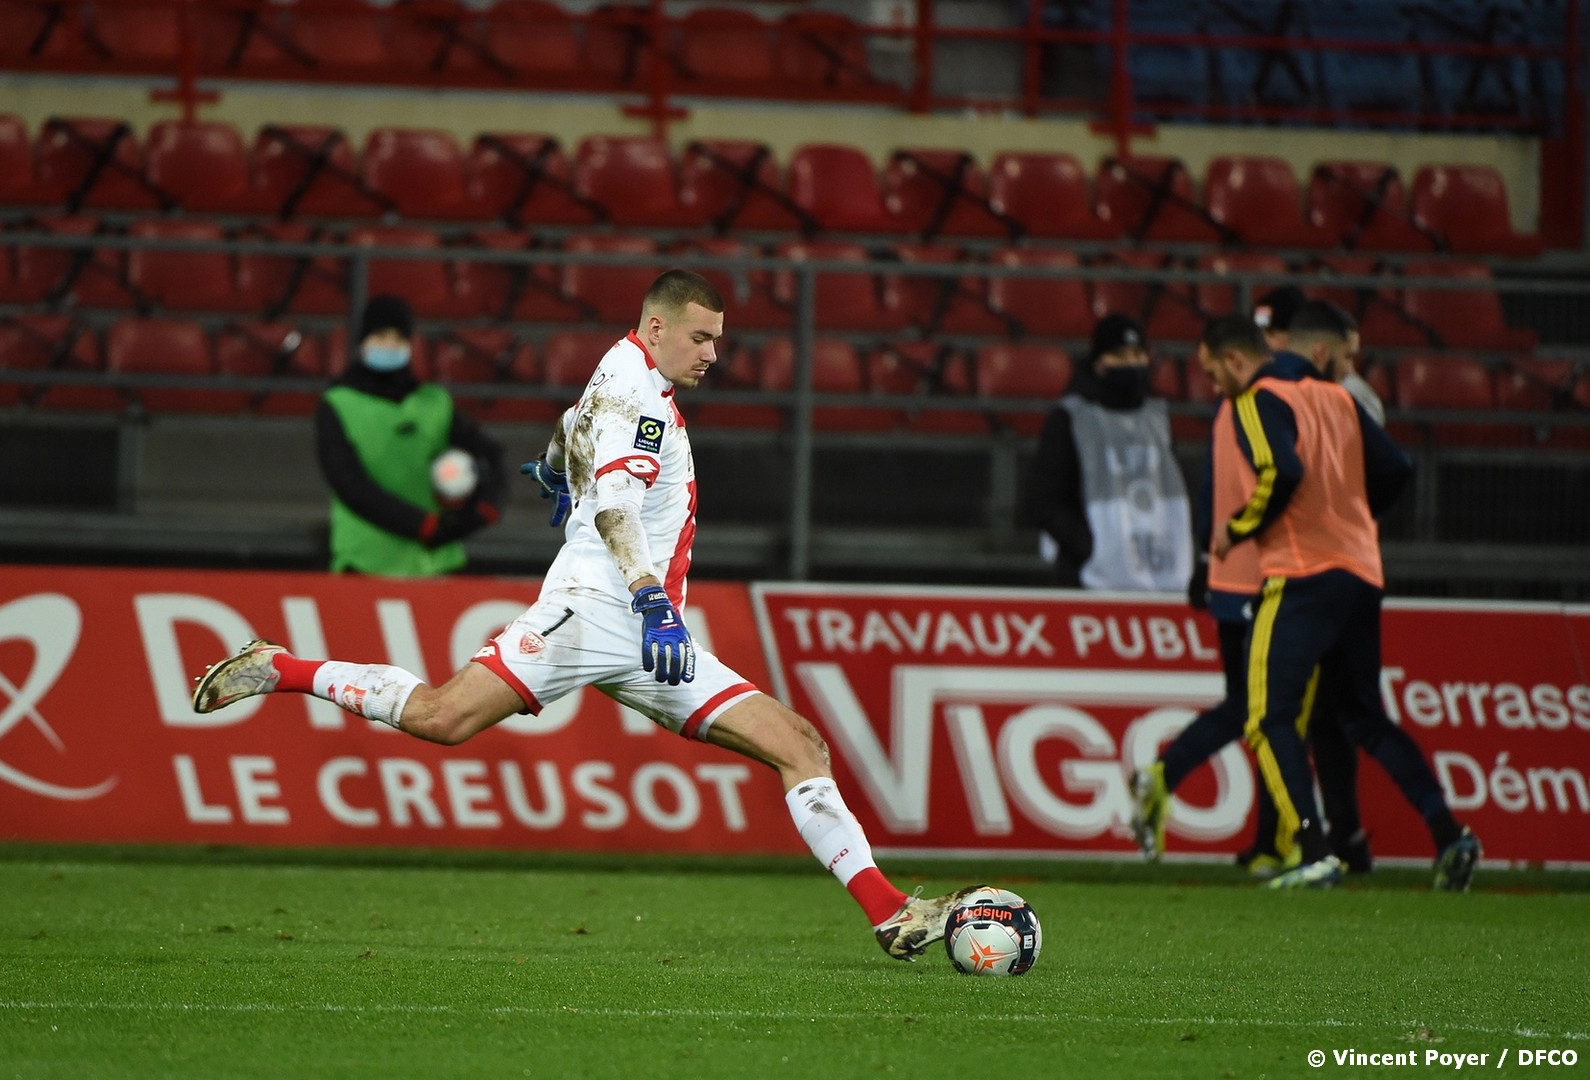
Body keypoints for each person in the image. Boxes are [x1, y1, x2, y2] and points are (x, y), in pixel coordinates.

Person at [192, 271, 969, 961]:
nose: (712, 354)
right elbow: (617, 510)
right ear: (658, 326)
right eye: (700, 338)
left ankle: (890, 912)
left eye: (717, 340)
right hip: (599, 611)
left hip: (647, 632)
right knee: (441, 717)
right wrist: (652, 600)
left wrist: (557, 468)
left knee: (799, 744)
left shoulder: (623, 364)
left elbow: (573, 422)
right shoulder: (643, 406)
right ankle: (279, 666)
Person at [1192, 309, 1480, 890]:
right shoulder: (1337, 397)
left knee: (1266, 716)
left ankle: (1313, 850)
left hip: (1300, 575)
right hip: (1361, 572)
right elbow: (1396, 466)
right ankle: (1450, 835)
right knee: (1364, 718)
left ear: (1235, 360)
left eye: (1213, 372)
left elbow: (1281, 472)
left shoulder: (1257, 400)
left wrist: (1236, 529)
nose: (1214, 386)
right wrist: (1352, 517)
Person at [1133, 298, 1376, 876]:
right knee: (1278, 713)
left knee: (1257, 709)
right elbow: (1286, 482)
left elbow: (1213, 485)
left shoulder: (1236, 406)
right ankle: (1287, 840)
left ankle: (1261, 835)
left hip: (1230, 577)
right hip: (1271, 574)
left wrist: (1205, 556)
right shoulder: (1276, 400)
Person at [315, 295, 507, 576]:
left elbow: (492, 455)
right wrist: (423, 526)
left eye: (399, 338)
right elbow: (350, 485)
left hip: (436, 565)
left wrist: (487, 506)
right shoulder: (338, 404)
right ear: (362, 341)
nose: (389, 345)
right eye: (380, 336)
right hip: (364, 563)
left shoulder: (435, 401)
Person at [1027, 313, 1193, 591]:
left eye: (1137, 354)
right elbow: (1042, 499)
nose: (1131, 363)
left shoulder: (1157, 419)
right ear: (1098, 361)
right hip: (1089, 580)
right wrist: (1090, 545)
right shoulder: (1071, 418)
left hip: (1161, 575)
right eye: (1119, 356)